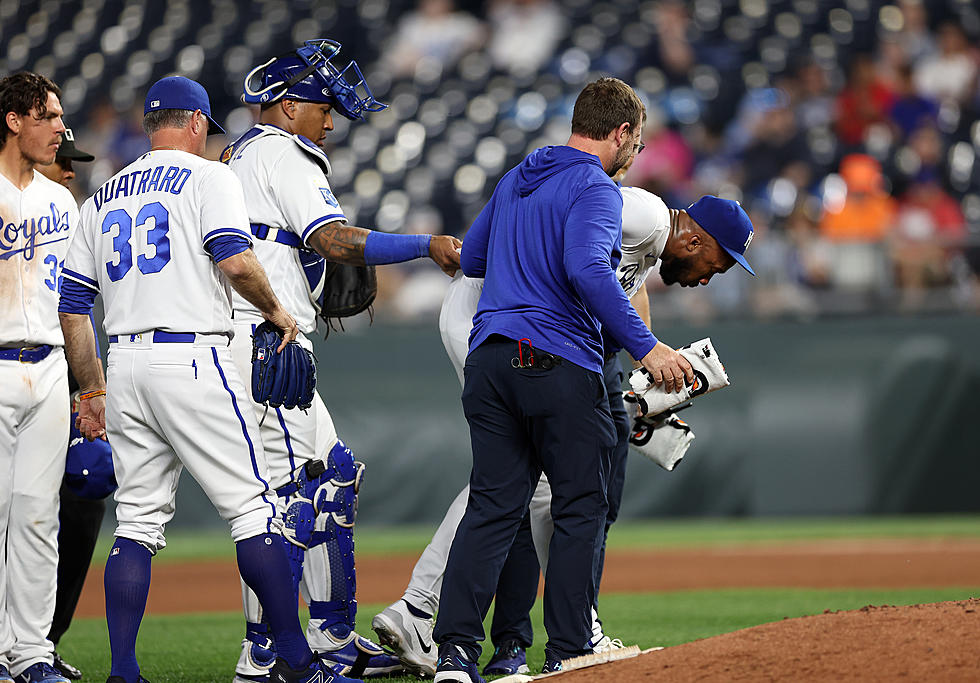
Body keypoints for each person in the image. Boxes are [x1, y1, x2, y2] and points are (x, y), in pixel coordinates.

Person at [373, 186, 755, 677]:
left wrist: (640, 378)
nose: (708, 280)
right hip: (496, 318)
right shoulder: (643, 210)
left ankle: (484, 624)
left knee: (523, 484)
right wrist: (648, 352)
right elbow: (583, 260)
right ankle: (424, 609)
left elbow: (626, 291)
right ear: (697, 242)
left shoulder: (647, 238)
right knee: (515, 481)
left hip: (508, 321)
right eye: (717, 266)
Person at [57, 76, 360, 683]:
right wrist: (278, 311)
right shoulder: (211, 176)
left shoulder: (99, 197)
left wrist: (92, 388)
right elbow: (234, 259)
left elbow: (71, 304)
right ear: (196, 122)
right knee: (256, 511)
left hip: (126, 363)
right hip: (195, 355)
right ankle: (295, 659)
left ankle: (122, 670)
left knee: (137, 524)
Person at [428, 76, 708, 683]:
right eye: (637, 139)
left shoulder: (519, 175)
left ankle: (452, 656)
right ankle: (571, 650)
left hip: (490, 358)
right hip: (555, 360)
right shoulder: (597, 188)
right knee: (584, 503)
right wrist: (648, 346)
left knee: (495, 505)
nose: (636, 153)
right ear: (622, 132)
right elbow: (588, 270)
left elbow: (472, 259)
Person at [221, 39, 461, 682]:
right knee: (300, 495)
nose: (330, 120)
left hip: (244, 340)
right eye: (323, 105)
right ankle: (284, 648)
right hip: (265, 345)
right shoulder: (284, 152)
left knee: (304, 488)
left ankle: (309, 642)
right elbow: (330, 238)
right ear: (288, 104)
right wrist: (423, 244)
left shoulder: (236, 156)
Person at [0, 71, 76, 683]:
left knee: (36, 515)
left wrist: (90, 383)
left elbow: (75, 302)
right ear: (13, 119)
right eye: (47, 116)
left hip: (50, 365)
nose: (59, 127)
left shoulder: (60, 201)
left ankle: (30, 652)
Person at [36, 129, 101, 682]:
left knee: (84, 496)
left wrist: (92, 390)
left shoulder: (72, 219)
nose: (71, 171)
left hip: (61, 378)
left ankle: (41, 641)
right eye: (63, 161)